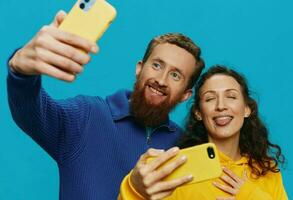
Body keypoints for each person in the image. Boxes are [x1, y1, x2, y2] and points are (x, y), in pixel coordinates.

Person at [6, 10, 205, 200]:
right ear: (139, 68)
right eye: (157, 65)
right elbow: (30, 111)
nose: (161, 80)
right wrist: (21, 72)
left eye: (175, 75)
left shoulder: (184, 148)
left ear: (185, 95)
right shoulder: (87, 116)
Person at [120, 65, 288, 200]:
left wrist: (251, 195)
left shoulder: (266, 170)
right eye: (210, 98)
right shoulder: (177, 168)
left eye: (231, 96)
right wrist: (133, 187)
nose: (221, 105)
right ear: (198, 113)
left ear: (246, 109)